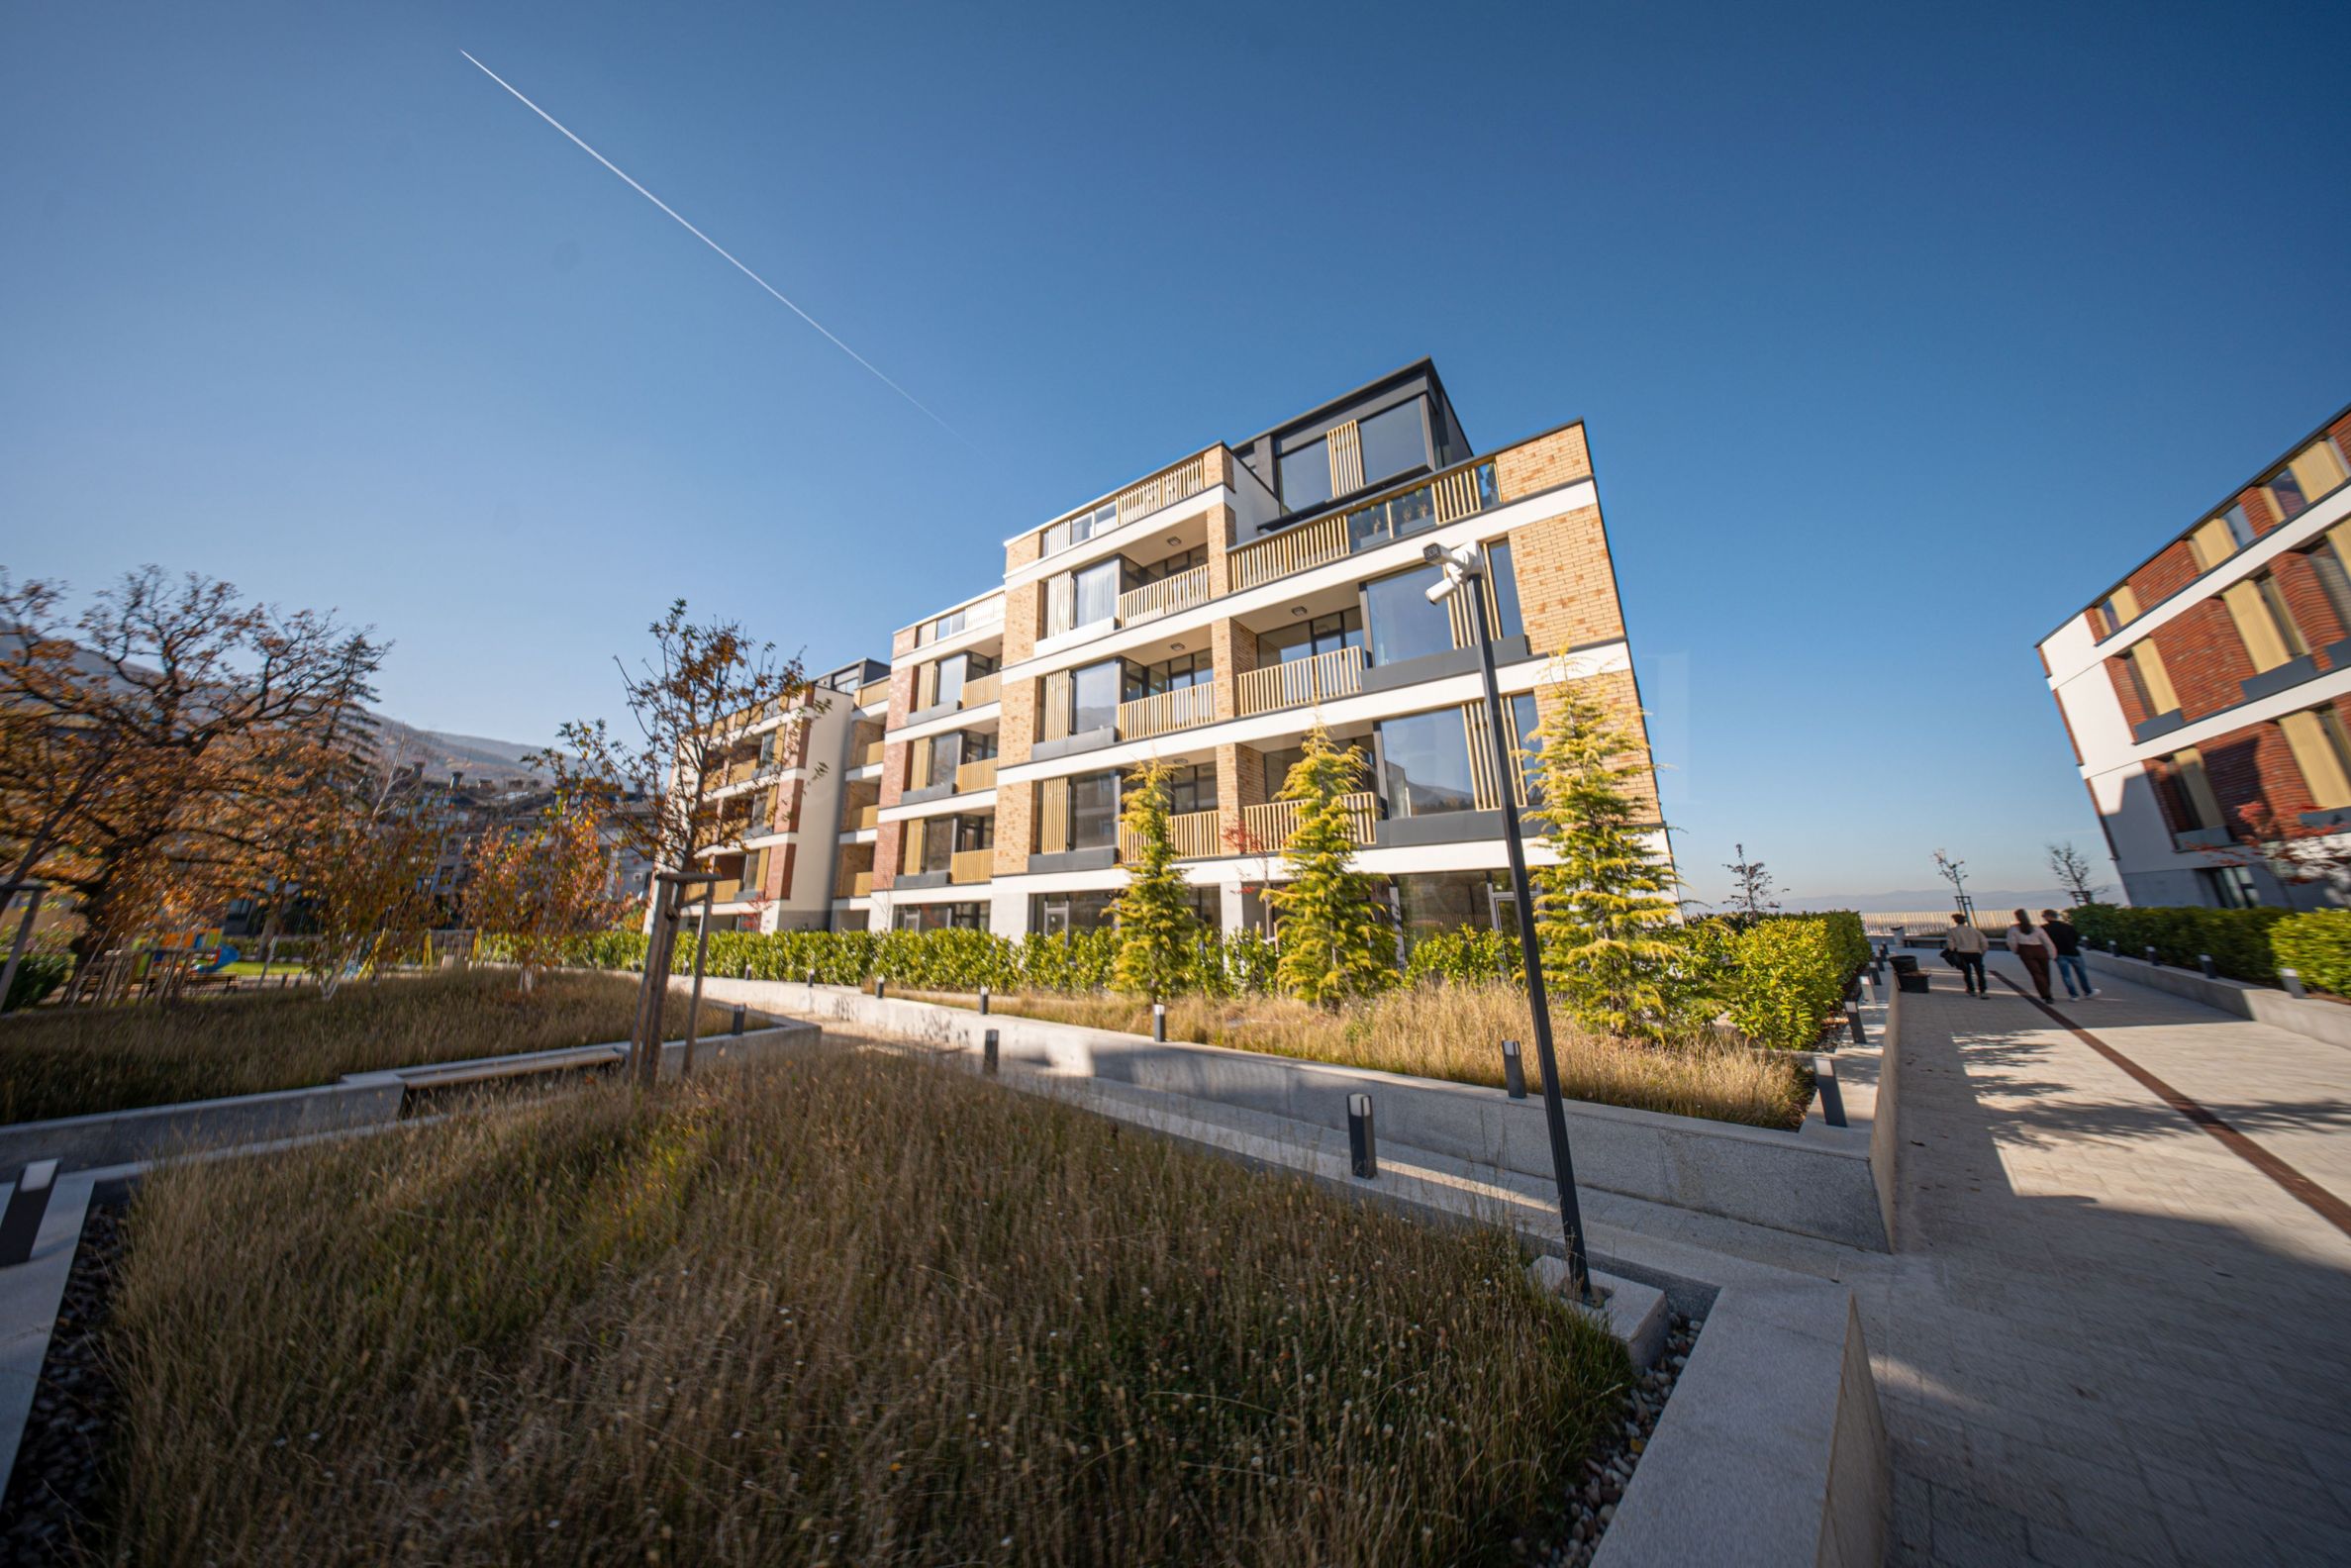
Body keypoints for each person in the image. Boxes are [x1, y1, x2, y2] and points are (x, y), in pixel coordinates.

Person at [2041, 908, 2095, 1000]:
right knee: (2081, 973)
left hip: (2059, 954)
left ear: (2048, 916)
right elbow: (2076, 938)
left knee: (2066, 975)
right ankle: (2088, 991)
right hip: (2073, 952)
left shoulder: (2044, 928)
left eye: (2043, 916)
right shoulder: (2067, 926)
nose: (2043, 918)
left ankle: (2074, 995)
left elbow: (2044, 942)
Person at [2007, 909, 2055, 1001]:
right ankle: (2047, 991)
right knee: (2045, 972)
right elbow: (2047, 941)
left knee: (2036, 973)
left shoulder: (2014, 929)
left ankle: (2046, 994)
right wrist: (2052, 953)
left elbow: (2011, 942)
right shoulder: (2036, 928)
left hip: (2025, 951)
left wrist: (2016, 950)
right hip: (2040, 950)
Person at [1943, 913, 1989, 996]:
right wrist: (1982, 952)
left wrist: (1953, 951)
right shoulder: (1974, 931)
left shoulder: (1952, 931)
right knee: (1980, 973)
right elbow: (1984, 943)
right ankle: (1982, 991)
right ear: (1965, 921)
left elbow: (1950, 943)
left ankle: (1971, 989)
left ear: (1955, 921)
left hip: (1962, 954)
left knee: (1967, 972)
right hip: (1976, 953)